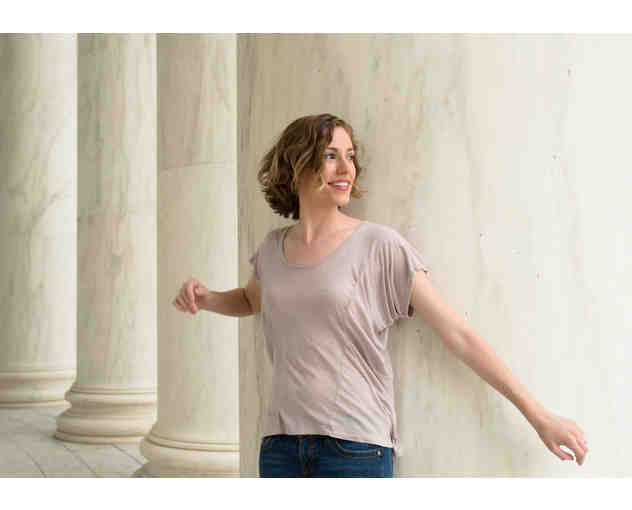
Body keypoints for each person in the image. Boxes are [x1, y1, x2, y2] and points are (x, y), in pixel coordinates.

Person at [171, 113, 589, 477]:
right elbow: (251, 300)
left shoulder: (378, 246)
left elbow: (458, 334)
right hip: (280, 447)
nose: (346, 168)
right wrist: (207, 298)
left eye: (350, 155)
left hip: (353, 448)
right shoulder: (272, 248)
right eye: (330, 155)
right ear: (296, 165)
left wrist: (539, 415)